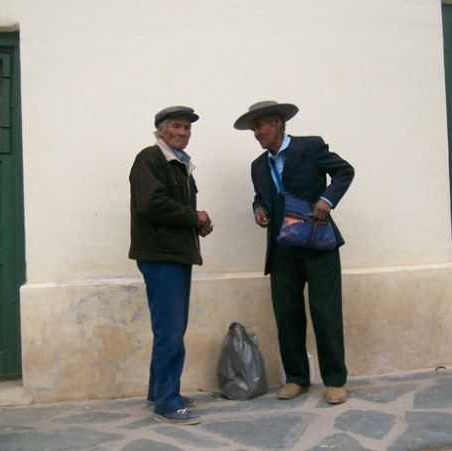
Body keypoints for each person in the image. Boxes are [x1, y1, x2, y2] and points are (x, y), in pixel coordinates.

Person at [234, 100, 354, 404]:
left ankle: (335, 380)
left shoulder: (310, 146)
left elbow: (344, 172)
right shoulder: (258, 166)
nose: (256, 133)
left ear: (277, 122)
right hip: (281, 249)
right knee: (287, 315)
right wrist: (259, 209)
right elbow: (260, 197)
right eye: (253, 129)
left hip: (317, 243)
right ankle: (297, 378)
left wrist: (327, 200)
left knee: (326, 312)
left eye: (260, 126)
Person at [129, 105, 213, 425]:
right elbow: (152, 204)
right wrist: (194, 217)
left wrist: (198, 224)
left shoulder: (178, 163)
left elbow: (171, 206)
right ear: (161, 130)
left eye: (187, 128)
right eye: (176, 127)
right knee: (171, 331)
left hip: (174, 254)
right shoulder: (151, 158)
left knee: (168, 328)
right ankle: (167, 402)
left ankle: (158, 391)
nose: (182, 133)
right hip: (161, 256)